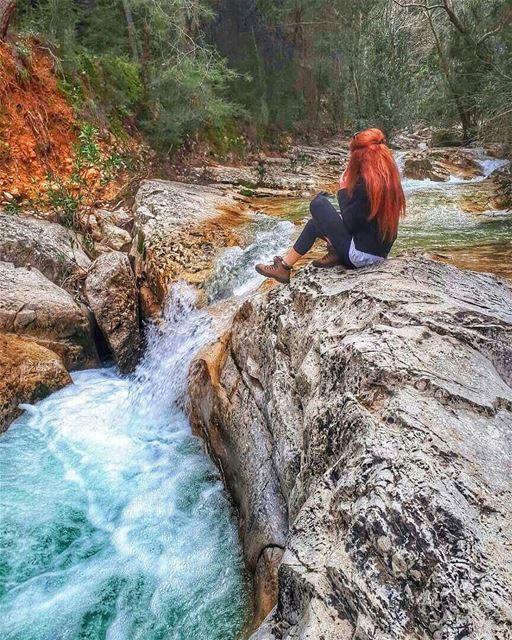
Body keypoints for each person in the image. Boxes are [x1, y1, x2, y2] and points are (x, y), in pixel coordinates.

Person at [255, 128, 406, 284]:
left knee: (318, 204)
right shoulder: (389, 182)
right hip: (378, 254)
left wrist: (343, 190)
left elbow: (351, 224)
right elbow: (364, 222)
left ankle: (334, 253)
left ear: (360, 158)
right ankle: (285, 267)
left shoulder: (364, 185)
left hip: (360, 257)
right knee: (314, 224)